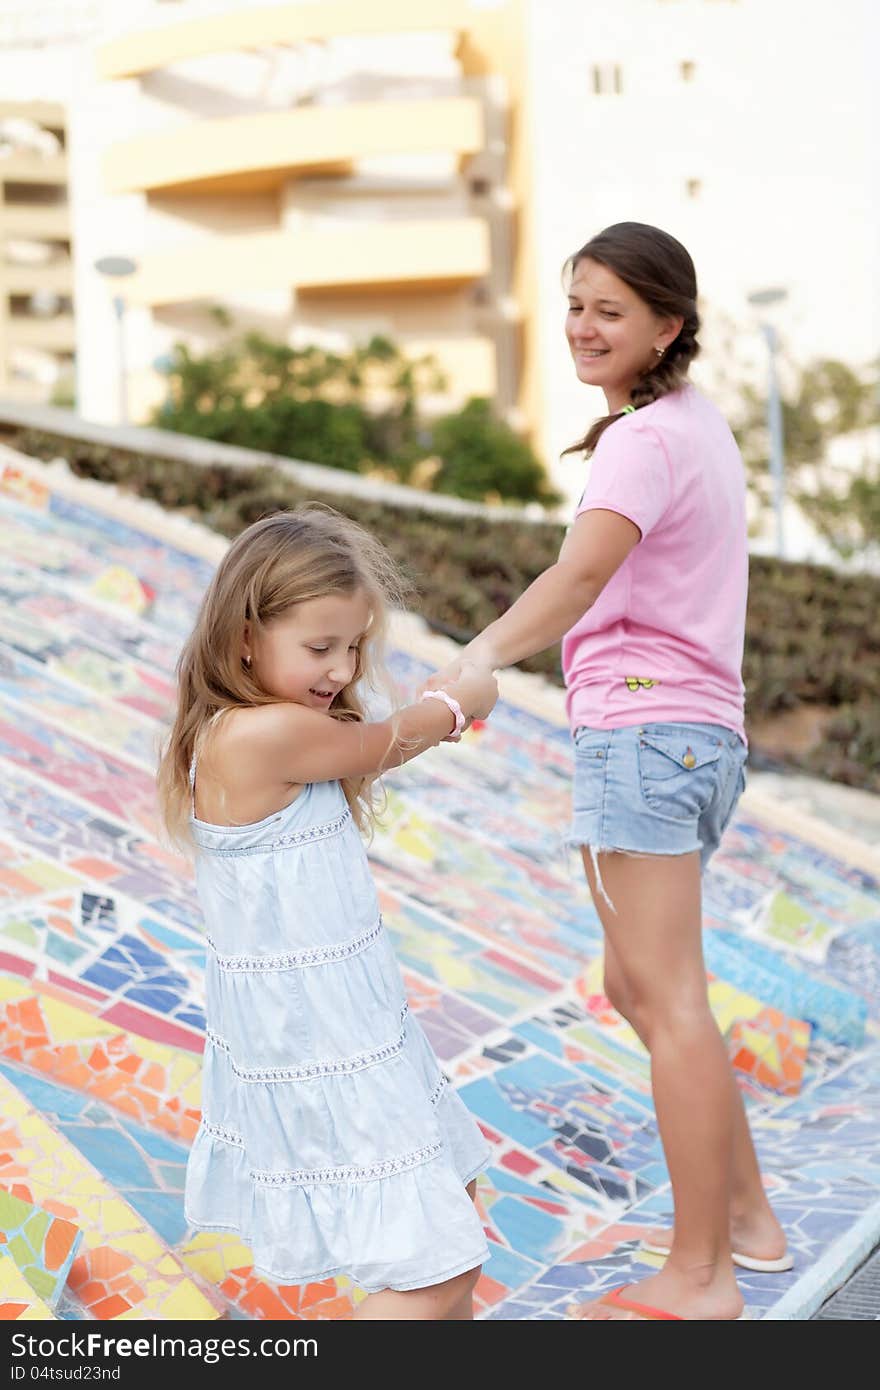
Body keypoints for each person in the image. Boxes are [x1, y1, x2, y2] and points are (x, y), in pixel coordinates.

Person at [425, 222, 790, 1321]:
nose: (585, 326)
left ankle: (700, 1277)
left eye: (611, 311)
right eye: (576, 303)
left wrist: (477, 657)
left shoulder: (642, 439)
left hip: (643, 731)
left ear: (667, 326)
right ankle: (746, 1221)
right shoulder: (690, 425)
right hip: (692, 735)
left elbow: (580, 575)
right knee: (642, 985)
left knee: (666, 996)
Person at [157, 505, 498, 1320]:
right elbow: (380, 743)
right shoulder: (256, 735)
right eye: (320, 648)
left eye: (352, 647)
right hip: (322, 1036)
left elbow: (361, 739)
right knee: (436, 1267)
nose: (341, 669)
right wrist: (460, 704)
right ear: (244, 636)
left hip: (357, 1023)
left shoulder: (266, 727)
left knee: (454, 1198)